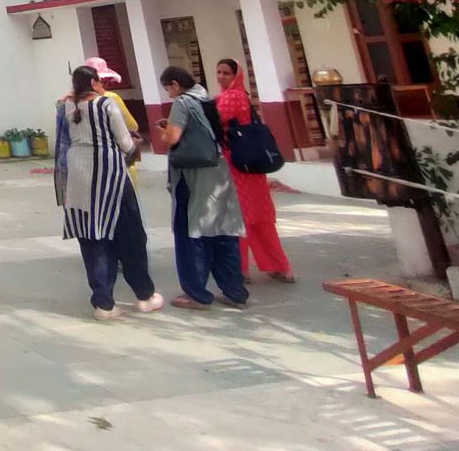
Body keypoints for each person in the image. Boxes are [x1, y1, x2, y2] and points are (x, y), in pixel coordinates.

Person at [55, 65, 164, 320]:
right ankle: (144, 295)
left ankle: (103, 303)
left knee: (92, 238)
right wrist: (136, 143)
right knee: (130, 236)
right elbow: (125, 143)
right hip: (111, 175)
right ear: (94, 83)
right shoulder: (106, 105)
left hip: (78, 176)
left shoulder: (67, 108)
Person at [154, 65, 249, 309]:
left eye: (168, 89)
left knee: (191, 232)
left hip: (193, 174)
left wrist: (164, 132)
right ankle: (234, 291)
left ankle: (196, 293)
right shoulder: (206, 98)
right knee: (223, 232)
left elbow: (173, 137)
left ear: (175, 84)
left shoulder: (183, 103)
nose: (169, 95)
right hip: (218, 170)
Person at [214, 58, 295, 283]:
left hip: (237, 166)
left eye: (226, 73)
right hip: (250, 166)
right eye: (219, 72)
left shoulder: (233, 97)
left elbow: (214, 121)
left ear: (235, 76)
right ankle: (280, 267)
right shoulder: (237, 96)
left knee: (239, 218)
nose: (221, 77)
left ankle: (240, 270)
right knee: (259, 220)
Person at [81, 56, 140, 184]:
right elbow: (132, 126)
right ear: (98, 82)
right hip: (114, 156)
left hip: (86, 159)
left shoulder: (72, 102)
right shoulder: (111, 98)